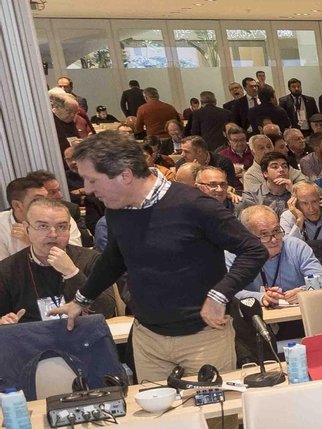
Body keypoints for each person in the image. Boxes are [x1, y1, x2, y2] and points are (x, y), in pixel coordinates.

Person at [55, 131, 267, 381]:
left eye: (92, 180)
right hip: (148, 340)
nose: (88, 189)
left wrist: (220, 294)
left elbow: (254, 250)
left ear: (125, 175)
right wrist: (81, 299)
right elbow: (114, 258)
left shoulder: (195, 204)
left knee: (213, 407)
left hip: (203, 337)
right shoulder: (117, 209)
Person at [0, 195, 116, 324]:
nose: (53, 234)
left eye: (61, 227)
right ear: (27, 229)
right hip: (32, 336)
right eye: (43, 226)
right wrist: (4, 323)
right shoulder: (7, 270)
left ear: (69, 229)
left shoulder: (91, 259)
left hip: (83, 333)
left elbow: (107, 310)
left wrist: (72, 273)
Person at [229, 205, 322, 307]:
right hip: (257, 314)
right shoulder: (234, 254)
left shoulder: (296, 247)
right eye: (264, 234)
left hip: (298, 313)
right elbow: (228, 290)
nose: (274, 240)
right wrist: (261, 297)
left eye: (276, 231)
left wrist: (305, 292)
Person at [0, 174, 86, 260]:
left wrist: (32, 242)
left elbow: (77, 257)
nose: (45, 204)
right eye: (37, 200)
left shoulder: (61, 218)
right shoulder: (2, 224)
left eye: (47, 198)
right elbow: (3, 266)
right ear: (17, 205)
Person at [280, 179, 322, 243]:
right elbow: (288, 247)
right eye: (305, 203)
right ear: (296, 203)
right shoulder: (287, 217)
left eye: (314, 201)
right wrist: (299, 220)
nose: (311, 208)